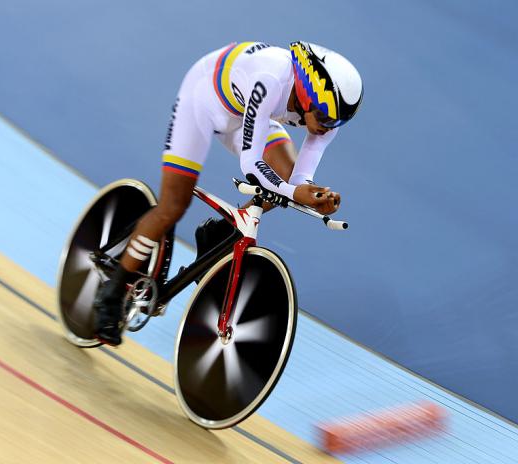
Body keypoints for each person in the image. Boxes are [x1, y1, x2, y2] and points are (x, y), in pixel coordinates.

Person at [94, 41, 363, 345]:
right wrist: (294, 192)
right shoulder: (271, 80)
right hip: (202, 104)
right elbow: (252, 164)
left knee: (285, 181)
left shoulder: (330, 111)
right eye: (325, 120)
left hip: (246, 114)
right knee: (173, 205)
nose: (328, 130)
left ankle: (222, 232)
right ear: (305, 94)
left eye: (336, 124)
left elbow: (299, 178)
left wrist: (310, 195)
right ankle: (112, 291)